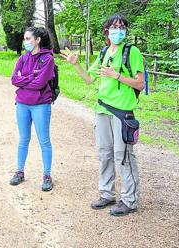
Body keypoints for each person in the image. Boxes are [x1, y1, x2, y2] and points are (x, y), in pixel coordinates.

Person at [60, 13, 145, 216]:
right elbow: (89, 79)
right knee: (105, 154)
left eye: (122, 27)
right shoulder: (105, 51)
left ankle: (129, 200)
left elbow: (140, 84)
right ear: (107, 30)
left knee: (123, 156)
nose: (118, 31)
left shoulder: (132, 52)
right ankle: (107, 194)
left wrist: (117, 75)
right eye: (114, 27)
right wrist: (75, 63)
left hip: (122, 112)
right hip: (102, 109)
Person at [8, 26, 56, 192]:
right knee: (23, 139)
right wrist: (31, 78)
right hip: (22, 103)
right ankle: (19, 172)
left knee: (44, 140)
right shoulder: (23, 58)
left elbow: (40, 84)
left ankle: (47, 175)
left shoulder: (48, 59)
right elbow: (14, 79)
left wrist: (25, 80)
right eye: (25, 38)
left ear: (37, 40)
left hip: (41, 104)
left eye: (28, 38)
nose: (25, 41)